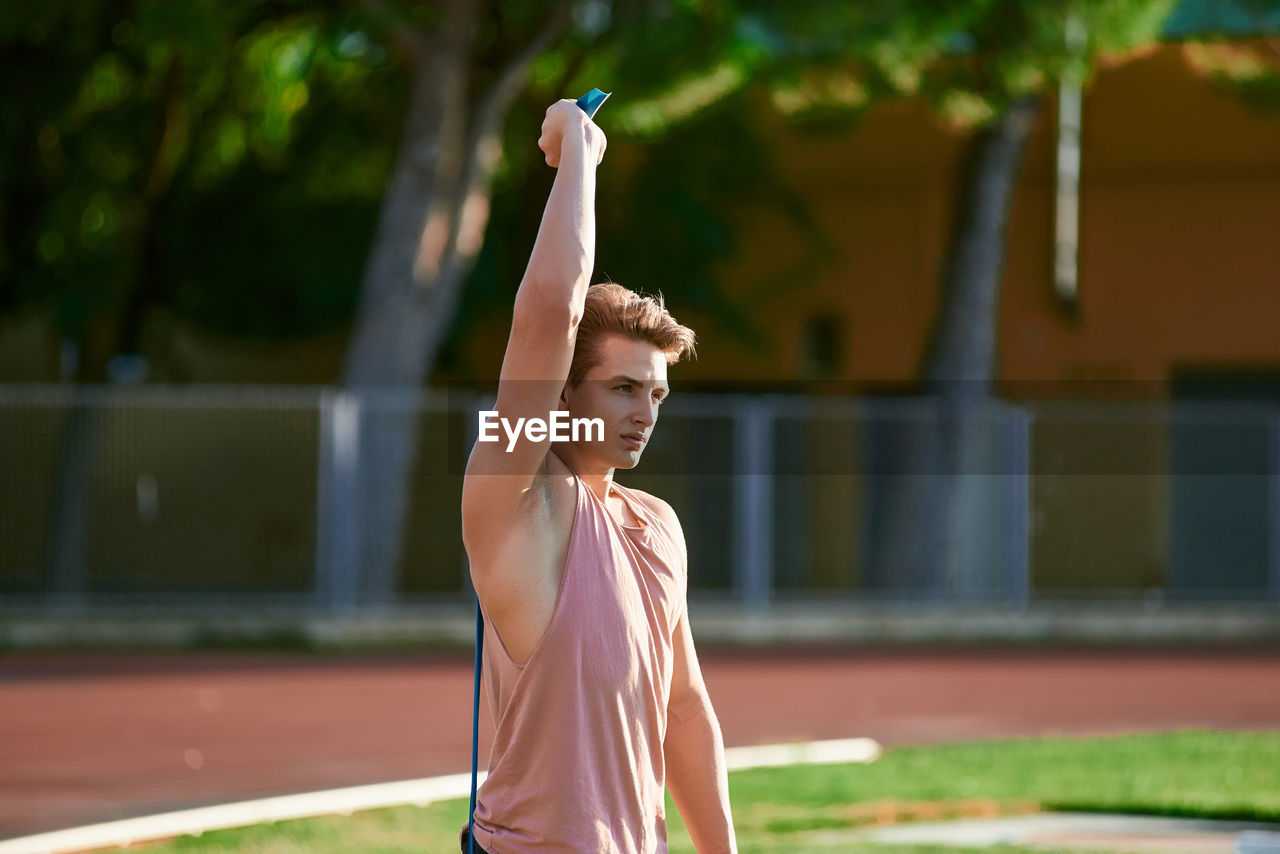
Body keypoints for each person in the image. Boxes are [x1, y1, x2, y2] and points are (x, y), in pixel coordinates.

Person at [460, 99, 738, 853]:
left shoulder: (657, 525)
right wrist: (579, 148)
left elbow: (682, 711)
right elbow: (549, 310)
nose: (645, 411)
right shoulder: (519, 505)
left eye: (656, 394)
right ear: (562, 394)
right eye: (622, 388)